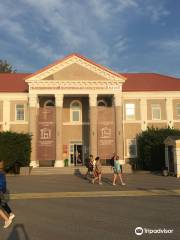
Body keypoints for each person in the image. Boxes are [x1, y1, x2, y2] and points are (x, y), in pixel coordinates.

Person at [0, 161, 15, 228]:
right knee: (2, 203)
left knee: (2, 203)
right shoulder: (2, 172)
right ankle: (11, 214)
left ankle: (7, 220)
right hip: (2, 190)